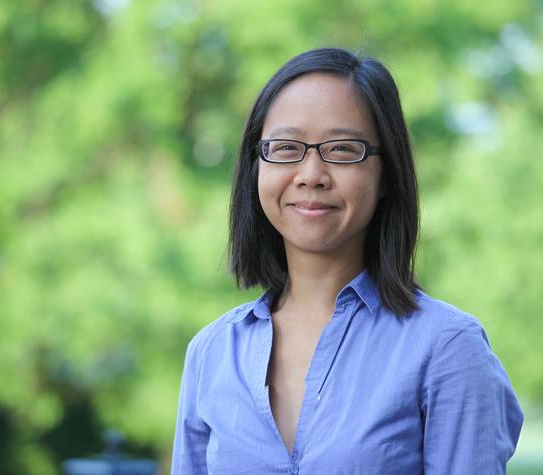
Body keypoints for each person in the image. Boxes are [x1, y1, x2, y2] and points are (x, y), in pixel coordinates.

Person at [172, 48, 523, 474]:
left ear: (386, 175)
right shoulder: (212, 353)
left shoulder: (448, 349)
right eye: (285, 148)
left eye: (342, 149)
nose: (311, 173)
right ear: (255, 166)